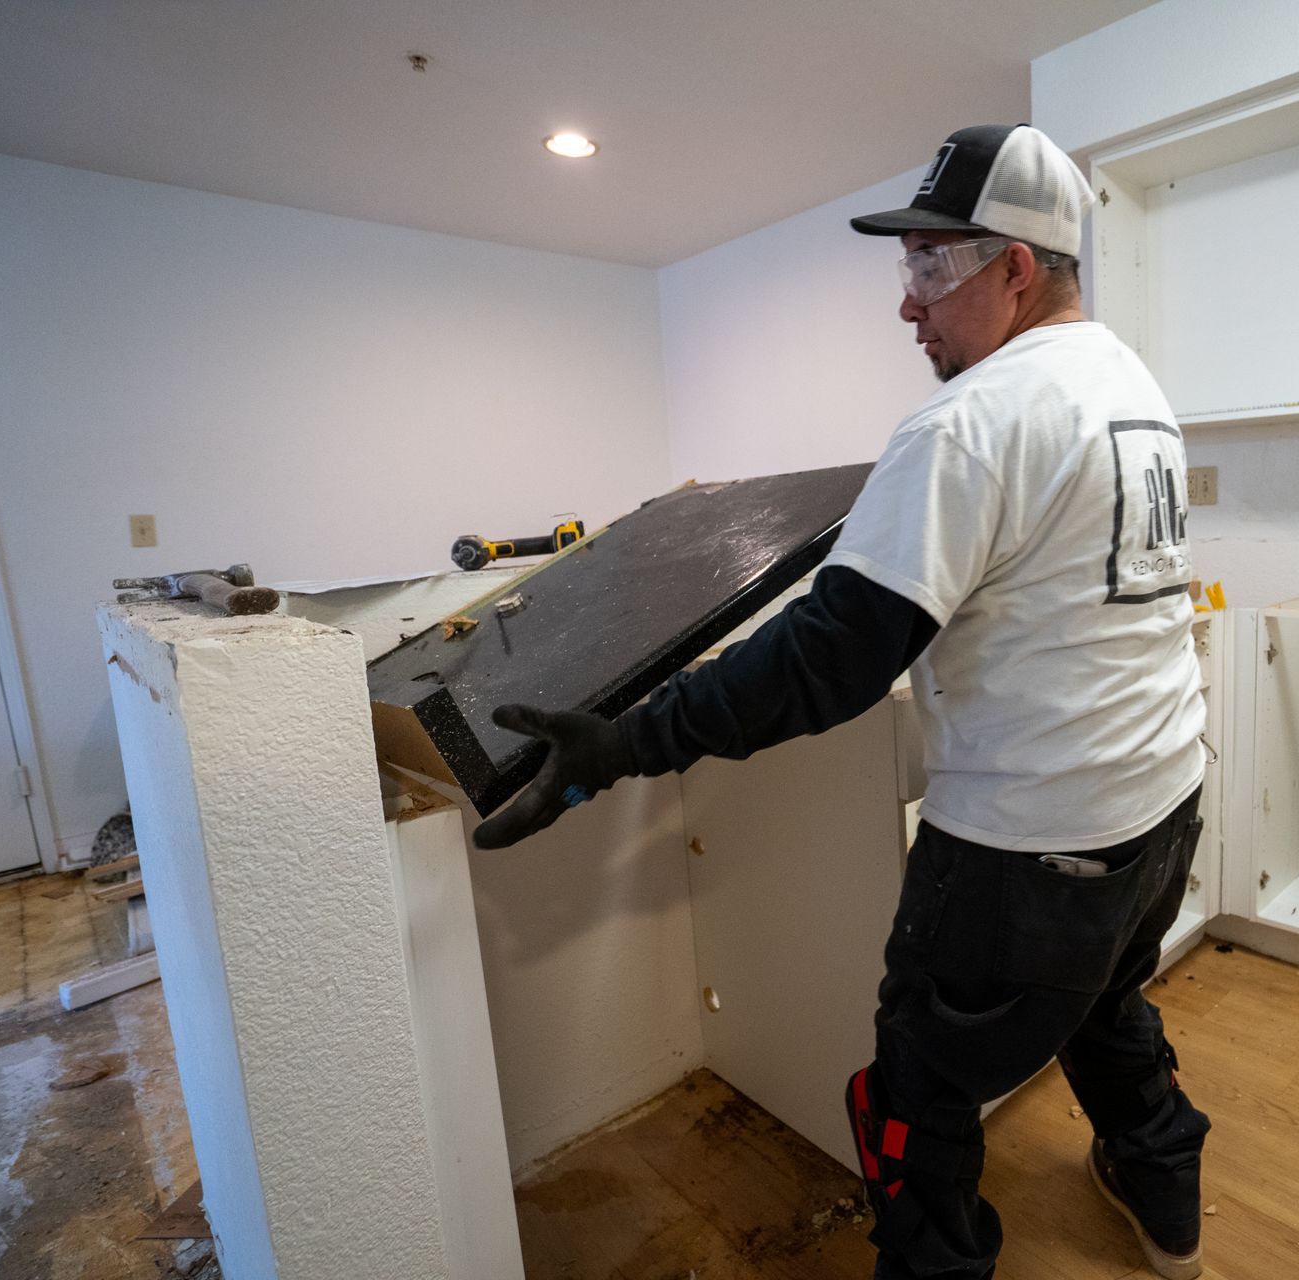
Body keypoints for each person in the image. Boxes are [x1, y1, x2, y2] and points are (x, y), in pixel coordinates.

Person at [472, 123, 1212, 1280]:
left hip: (1024, 853)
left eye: (933, 267)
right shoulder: (1133, 384)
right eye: (904, 267)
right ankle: (1166, 1205)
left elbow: (829, 657)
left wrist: (618, 742)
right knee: (1105, 1002)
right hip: (1160, 810)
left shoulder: (967, 423)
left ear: (1018, 266)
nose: (908, 303)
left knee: (918, 1088)